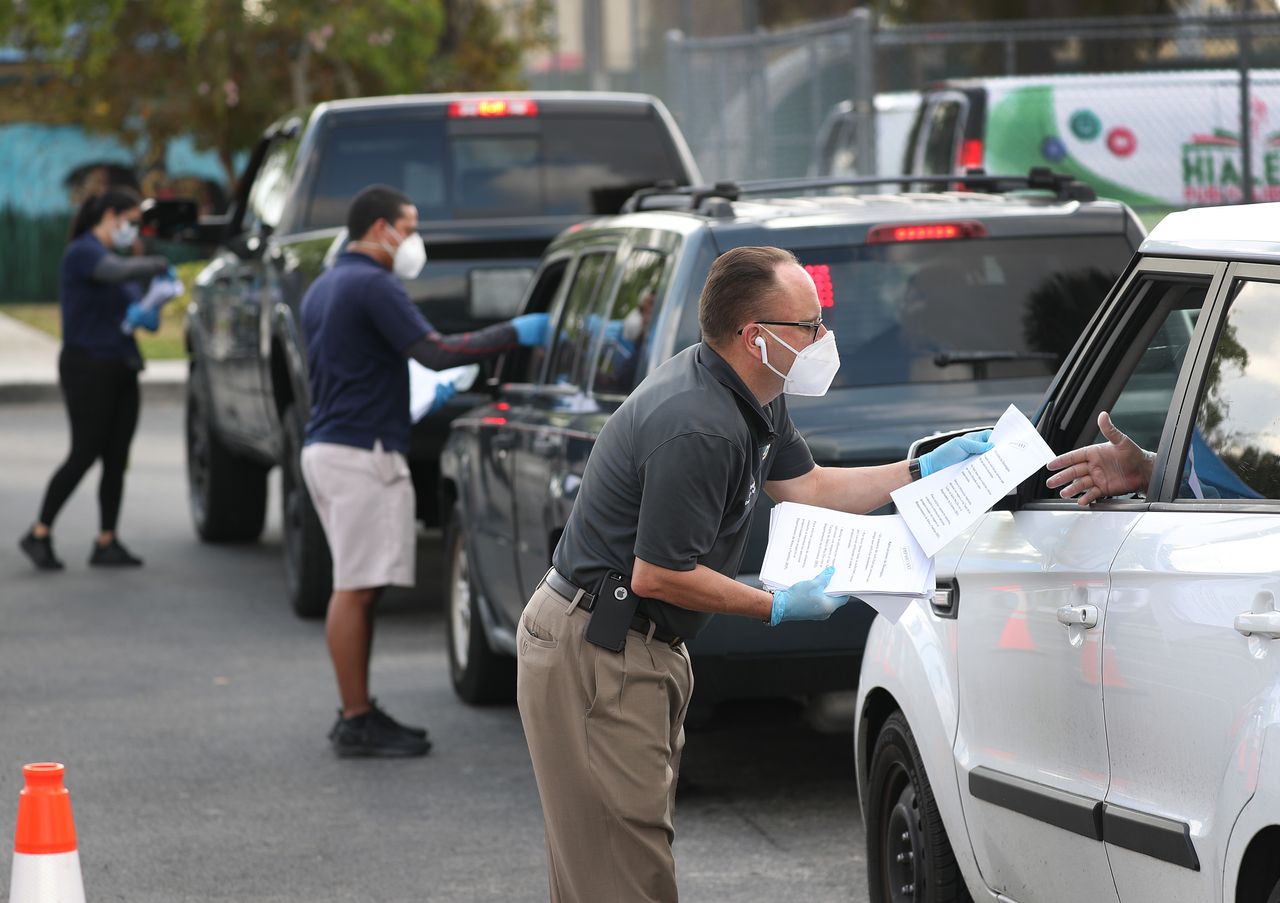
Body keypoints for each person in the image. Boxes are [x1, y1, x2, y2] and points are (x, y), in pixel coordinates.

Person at [515, 245, 993, 901]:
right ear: (755, 336)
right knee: (624, 874)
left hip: (636, 646)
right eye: (810, 325)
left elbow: (809, 485)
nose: (824, 338)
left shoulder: (753, 394)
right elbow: (658, 574)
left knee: (607, 865)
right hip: (601, 647)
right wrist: (772, 604)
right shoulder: (698, 424)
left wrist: (921, 470)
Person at [299, 184, 548, 758]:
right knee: (356, 589)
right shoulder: (372, 282)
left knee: (358, 584)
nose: (414, 241)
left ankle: (357, 711)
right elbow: (435, 350)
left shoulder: (326, 284)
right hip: (362, 452)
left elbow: (357, 365)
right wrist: (515, 332)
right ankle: (356, 717)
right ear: (380, 228)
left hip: (332, 444)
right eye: (409, 229)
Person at [19, 187, 171, 571]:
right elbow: (114, 273)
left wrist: (151, 311)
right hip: (87, 367)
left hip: (121, 365)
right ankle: (39, 532)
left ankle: (107, 540)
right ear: (110, 217)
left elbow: (139, 310)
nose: (135, 230)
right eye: (132, 222)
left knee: (116, 458)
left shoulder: (121, 259)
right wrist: (153, 265)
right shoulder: (84, 252)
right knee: (85, 452)